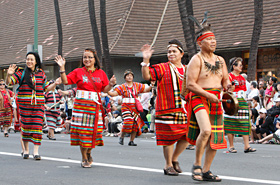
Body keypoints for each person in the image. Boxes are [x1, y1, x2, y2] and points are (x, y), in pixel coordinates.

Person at [183, 21, 231, 181]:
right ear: (200, 42)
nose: (213, 42)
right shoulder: (196, 60)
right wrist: (208, 95)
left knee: (215, 137)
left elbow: (225, 79)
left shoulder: (221, 60)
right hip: (199, 97)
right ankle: (196, 164)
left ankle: (206, 170)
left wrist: (227, 86)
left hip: (216, 99)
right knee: (206, 131)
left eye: (214, 39)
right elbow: (190, 84)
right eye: (209, 39)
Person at [54, 48, 116, 168]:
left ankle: (89, 152)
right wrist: (62, 67)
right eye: (84, 57)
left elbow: (104, 90)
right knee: (83, 133)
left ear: (94, 59)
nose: (87, 59)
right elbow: (66, 81)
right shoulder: (78, 71)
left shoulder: (101, 73)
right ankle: (84, 157)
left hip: (94, 107)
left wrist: (111, 84)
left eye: (89, 57)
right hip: (81, 107)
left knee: (94, 132)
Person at [141, 39, 190, 176]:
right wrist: (146, 61)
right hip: (166, 108)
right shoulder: (162, 67)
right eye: (169, 52)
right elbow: (147, 75)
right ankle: (168, 165)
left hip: (184, 109)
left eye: (174, 51)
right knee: (168, 138)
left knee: (189, 135)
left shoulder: (188, 69)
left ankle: (174, 159)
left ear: (181, 53)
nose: (171, 54)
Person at [6, 52, 58, 160]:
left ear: (36, 61)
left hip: (38, 105)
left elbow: (46, 88)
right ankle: (26, 150)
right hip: (24, 106)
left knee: (37, 127)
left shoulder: (41, 74)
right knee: (25, 127)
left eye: (31, 59)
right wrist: (9, 74)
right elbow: (10, 82)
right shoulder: (21, 73)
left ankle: (36, 152)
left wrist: (56, 83)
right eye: (27, 59)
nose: (29, 61)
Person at [108, 69, 154, 146]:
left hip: (135, 107)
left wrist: (151, 85)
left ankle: (131, 141)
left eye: (131, 76)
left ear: (133, 77)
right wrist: (107, 89)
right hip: (126, 106)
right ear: (125, 78)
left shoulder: (137, 85)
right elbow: (113, 94)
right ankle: (122, 136)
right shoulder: (122, 86)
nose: (129, 77)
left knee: (135, 124)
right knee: (128, 121)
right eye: (127, 76)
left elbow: (146, 90)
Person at [224, 57, 256, 154]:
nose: (241, 67)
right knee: (230, 123)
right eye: (240, 65)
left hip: (242, 101)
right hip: (232, 101)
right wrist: (230, 89)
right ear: (234, 66)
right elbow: (226, 89)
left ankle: (247, 146)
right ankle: (231, 146)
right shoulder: (229, 77)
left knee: (245, 123)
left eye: (242, 65)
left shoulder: (242, 78)